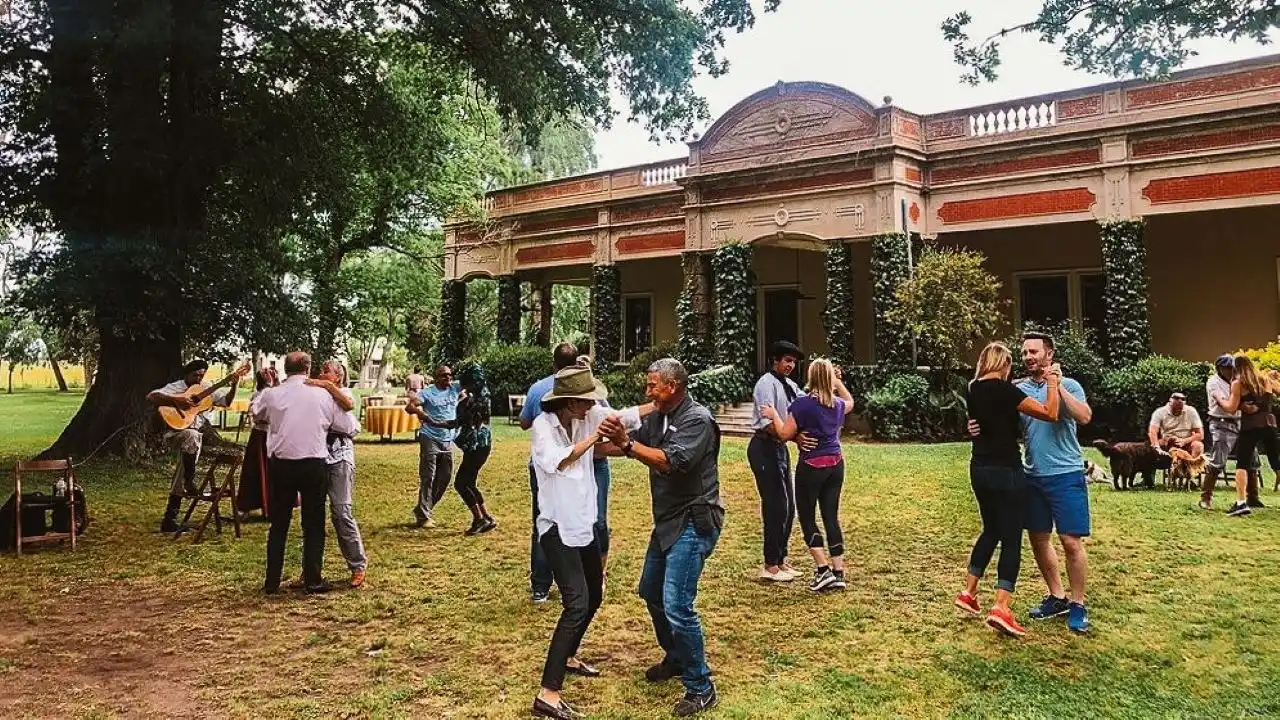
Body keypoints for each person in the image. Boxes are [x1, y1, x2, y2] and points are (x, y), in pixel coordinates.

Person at [599, 358, 724, 717]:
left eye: (653, 385)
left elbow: (671, 461)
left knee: (678, 604)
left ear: (672, 386)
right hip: (668, 521)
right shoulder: (655, 416)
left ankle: (701, 687)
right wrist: (585, 441)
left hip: (695, 520)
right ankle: (677, 657)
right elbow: (623, 444)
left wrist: (625, 445)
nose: (647, 390)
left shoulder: (697, 419)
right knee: (651, 591)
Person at [528, 365, 651, 720]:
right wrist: (594, 440)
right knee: (577, 603)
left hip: (584, 523)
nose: (592, 405)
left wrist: (656, 405)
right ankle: (548, 694)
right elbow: (558, 462)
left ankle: (568, 655)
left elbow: (622, 417)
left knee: (594, 594)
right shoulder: (543, 428)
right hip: (557, 528)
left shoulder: (588, 415)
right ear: (569, 402)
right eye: (586, 401)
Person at [969, 331, 1093, 634]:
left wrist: (1058, 387)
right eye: (1024, 352)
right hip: (1031, 474)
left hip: (1065, 473)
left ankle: (1078, 604)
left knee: (1070, 541)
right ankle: (1057, 596)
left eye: (1034, 352)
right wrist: (975, 427)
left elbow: (1085, 417)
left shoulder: (1070, 384)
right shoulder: (1015, 389)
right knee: (1039, 538)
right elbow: (998, 420)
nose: (1028, 357)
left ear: (1049, 354)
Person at [954, 342, 1061, 638]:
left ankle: (969, 592)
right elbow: (1050, 413)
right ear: (1004, 364)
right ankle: (1002, 606)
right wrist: (1052, 382)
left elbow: (978, 424)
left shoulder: (973, 388)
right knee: (1012, 537)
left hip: (980, 468)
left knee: (990, 529)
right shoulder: (1007, 391)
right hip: (1007, 471)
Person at [250, 351, 358, 594]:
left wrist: (266, 393)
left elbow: (256, 415)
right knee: (313, 523)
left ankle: (272, 581)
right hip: (313, 463)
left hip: (282, 464)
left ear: (286, 369)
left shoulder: (273, 394)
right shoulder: (322, 394)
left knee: (279, 523)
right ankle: (312, 579)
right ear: (308, 369)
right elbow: (346, 426)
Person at [759, 358, 854, 592]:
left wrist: (773, 414)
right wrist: (837, 382)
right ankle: (839, 572)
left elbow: (783, 434)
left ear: (811, 377)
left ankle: (823, 570)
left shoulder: (802, 405)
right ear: (829, 378)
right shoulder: (838, 405)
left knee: (808, 517)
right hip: (836, 464)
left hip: (812, 466)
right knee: (831, 517)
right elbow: (850, 400)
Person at [521, 342, 605, 604]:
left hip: (546, 469)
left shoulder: (538, 388)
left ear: (553, 363)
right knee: (590, 520)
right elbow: (605, 420)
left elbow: (524, 422)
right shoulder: (590, 388)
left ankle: (541, 586)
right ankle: (585, 577)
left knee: (546, 523)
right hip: (582, 465)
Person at [147, 359, 241, 533]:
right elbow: (152, 396)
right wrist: (178, 399)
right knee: (191, 436)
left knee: (182, 469)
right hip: (175, 432)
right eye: (195, 374)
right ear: (187, 374)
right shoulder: (176, 386)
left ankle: (170, 518)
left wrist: (234, 386)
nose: (199, 378)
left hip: (193, 438)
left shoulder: (206, 386)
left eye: (201, 374)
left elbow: (226, 402)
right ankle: (190, 480)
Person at [748, 340, 804, 582]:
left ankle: (781, 560)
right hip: (764, 447)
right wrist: (793, 435)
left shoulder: (790, 385)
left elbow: (805, 405)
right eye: (786, 360)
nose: (790, 365)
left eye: (793, 361)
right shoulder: (765, 384)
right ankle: (770, 565)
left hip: (781, 447)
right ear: (775, 360)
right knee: (776, 506)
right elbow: (769, 423)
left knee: (789, 507)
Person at [314, 360, 367, 588]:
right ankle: (311, 570)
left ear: (338, 377)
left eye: (326, 372)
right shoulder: (316, 394)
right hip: (316, 458)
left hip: (340, 459)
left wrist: (324, 386)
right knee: (313, 517)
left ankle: (358, 565)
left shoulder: (342, 391)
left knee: (341, 512)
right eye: (320, 371)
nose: (320, 374)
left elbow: (347, 405)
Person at [1215, 355, 1280, 517]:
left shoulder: (1238, 383)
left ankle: (1241, 502)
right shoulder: (1264, 379)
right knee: (1276, 461)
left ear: (1236, 367)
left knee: (1242, 463)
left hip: (1250, 426)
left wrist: (1219, 399)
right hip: (1269, 424)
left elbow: (1230, 407)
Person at [1201, 355, 1262, 511]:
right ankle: (1206, 497)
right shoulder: (1213, 382)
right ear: (1220, 369)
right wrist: (1242, 405)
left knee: (1251, 458)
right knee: (1218, 461)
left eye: (1233, 368)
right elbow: (1225, 404)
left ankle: (1253, 497)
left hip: (1241, 422)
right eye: (1228, 368)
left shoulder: (1240, 379)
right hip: (1221, 423)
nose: (1231, 371)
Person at [406, 365, 460, 528]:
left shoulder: (455, 389)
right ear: (436, 377)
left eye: (450, 375)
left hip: (447, 438)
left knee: (445, 476)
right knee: (428, 476)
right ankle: (423, 515)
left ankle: (423, 509)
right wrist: (423, 415)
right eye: (444, 375)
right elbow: (409, 407)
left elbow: (470, 384)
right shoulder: (427, 393)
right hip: (429, 437)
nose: (448, 378)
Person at [452, 362, 497, 535]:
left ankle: (479, 519)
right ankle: (487, 516)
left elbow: (461, 419)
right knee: (469, 481)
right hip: (484, 443)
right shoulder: (484, 394)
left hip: (476, 445)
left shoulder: (473, 400)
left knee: (461, 483)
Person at [236, 369, 275, 519]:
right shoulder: (258, 395)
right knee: (254, 470)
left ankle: (272, 506)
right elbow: (256, 413)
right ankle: (251, 505)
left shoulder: (275, 393)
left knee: (272, 470)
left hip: (272, 434)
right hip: (260, 434)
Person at [1148, 392, 1205, 472]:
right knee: (1150, 446)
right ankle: (1148, 476)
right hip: (1168, 442)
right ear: (1170, 401)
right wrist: (1157, 447)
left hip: (1187, 441)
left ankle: (1191, 473)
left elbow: (1200, 435)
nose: (1180, 401)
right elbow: (1152, 431)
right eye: (1176, 398)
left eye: (1183, 399)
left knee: (1198, 445)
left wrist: (1184, 441)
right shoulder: (1160, 412)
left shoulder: (1191, 411)